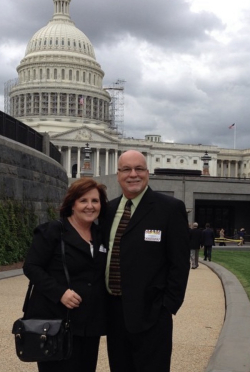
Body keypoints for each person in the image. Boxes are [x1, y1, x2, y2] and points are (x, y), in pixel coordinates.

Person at [104, 150, 190, 372]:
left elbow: (179, 263)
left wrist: (167, 306)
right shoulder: (108, 210)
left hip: (152, 315)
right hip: (114, 313)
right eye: (126, 169)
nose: (133, 174)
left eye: (139, 169)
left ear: (147, 173)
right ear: (118, 175)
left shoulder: (170, 209)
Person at [23, 178, 108, 372]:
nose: (90, 206)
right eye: (83, 200)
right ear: (72, 204)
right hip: (56, 322)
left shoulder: (101, 234)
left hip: (89, 325)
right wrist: (60, 293)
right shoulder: (53, 231)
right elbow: (32, 267)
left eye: (95, 201)